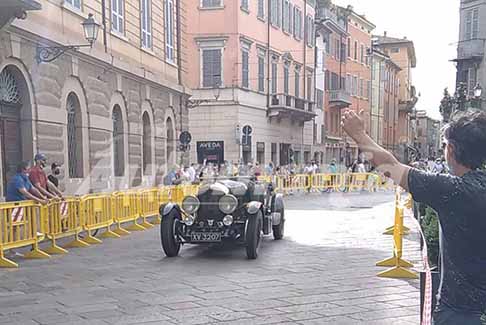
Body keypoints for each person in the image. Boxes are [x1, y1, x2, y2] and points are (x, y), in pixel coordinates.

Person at [342, 109, 486, 324]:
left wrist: (360, 135)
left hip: (458, 311)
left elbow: (391, 168)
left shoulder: (453, 190)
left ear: (452, 150)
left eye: (445, 145)